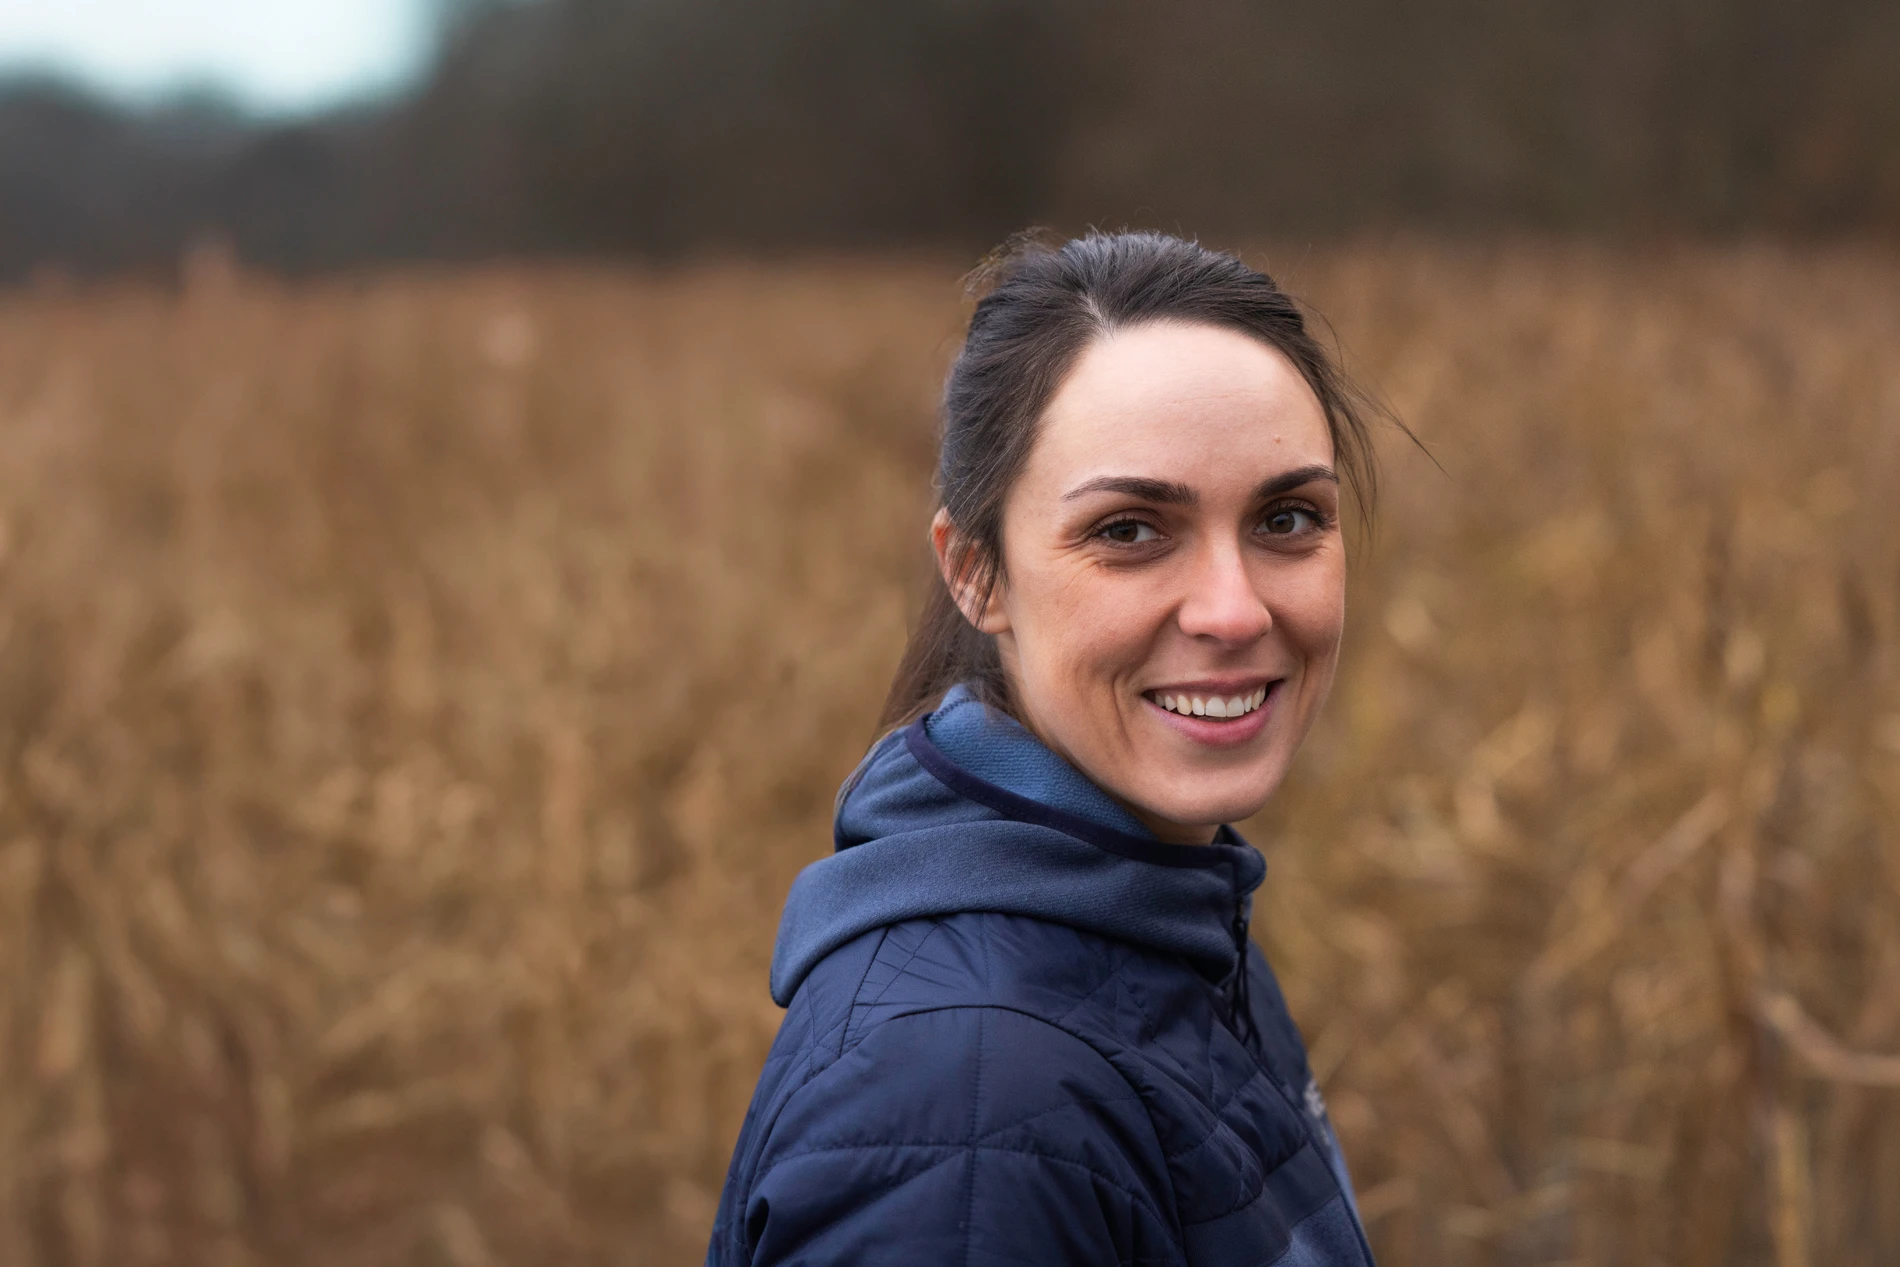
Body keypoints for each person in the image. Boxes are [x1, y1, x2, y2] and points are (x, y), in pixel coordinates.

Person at [708, 230, 1393, 1266]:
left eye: (1287, 518)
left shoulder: (1173, 916)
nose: (1233, 610)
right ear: (975, 573)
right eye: (1129, 531)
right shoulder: (968, 1106)